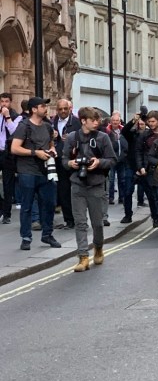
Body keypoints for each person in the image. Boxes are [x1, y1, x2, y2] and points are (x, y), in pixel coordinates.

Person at [62, 107, 116, 271]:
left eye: (97, 120)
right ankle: (83, 257)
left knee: (97, 224)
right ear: (83, 121)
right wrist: (70, 163)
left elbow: (112, 160)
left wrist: (99, 162)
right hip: (77, 185)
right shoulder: (72, 137)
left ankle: (98, 248)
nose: (96, 123)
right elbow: (64, 160)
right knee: (80, 223)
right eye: (93, 120)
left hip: (96, 185)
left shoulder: (103, 137)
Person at [10, 97, 60, 250]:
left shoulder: (47, 126)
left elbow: (50, 144)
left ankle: (47, 235)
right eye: (42, 106)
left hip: (45, 171)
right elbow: (15, 148)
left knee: (49, 204)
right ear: (33, 109)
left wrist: (52, 150)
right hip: (27, 171)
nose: (45, 108)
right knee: (27, 206)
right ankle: (26, 238)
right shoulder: (24, 126)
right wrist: (35, 153)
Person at [52, 99, 82, 229]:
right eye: (60, 109)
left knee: (76, 191)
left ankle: (79, 219)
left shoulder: (76, 122)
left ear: (69, 109)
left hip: (74, 161)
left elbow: (83, 139)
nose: (63, 111)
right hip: (60, 161)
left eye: (65, 108)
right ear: (57, 110)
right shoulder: (52, 122)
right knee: (63, 191)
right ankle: (69, 220)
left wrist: (73, 140)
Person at [134, 110, 158, 227]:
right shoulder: (144, 135)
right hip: (149, 169)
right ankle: (156, 217)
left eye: (153, 121)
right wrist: (140, 166)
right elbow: (138, 151)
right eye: (149, 121)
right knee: (152, 196)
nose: (151, 124)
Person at [0, 92, 21, 223]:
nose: (4, 104)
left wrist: (7, 117)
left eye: (6, 101)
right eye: (2, 101)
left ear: (11, 102)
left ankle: (6, 214)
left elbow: (14, 132)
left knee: (8, 184)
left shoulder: (16, 117)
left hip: (8, 154)